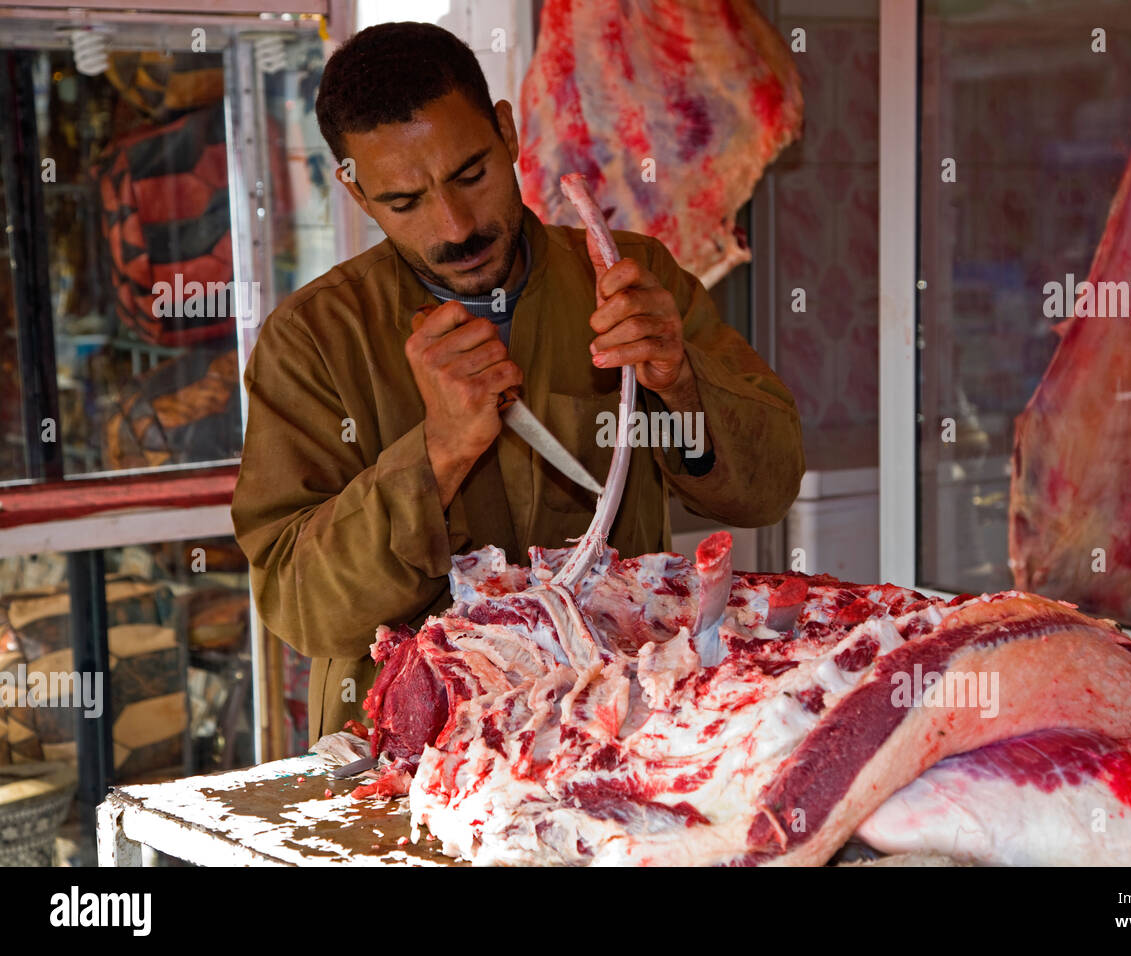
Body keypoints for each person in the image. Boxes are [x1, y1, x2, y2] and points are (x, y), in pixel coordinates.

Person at [231, 21, 805, 743]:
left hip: (618, 728)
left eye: (471, 174)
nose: (455, 225)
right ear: (354, 189)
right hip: (415, 757)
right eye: (405, 202)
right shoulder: (312, 340)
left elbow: (770, 486)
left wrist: (684, 388)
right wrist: (436, 454)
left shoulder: (628, 280)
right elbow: (301, 605)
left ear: (507, 132)